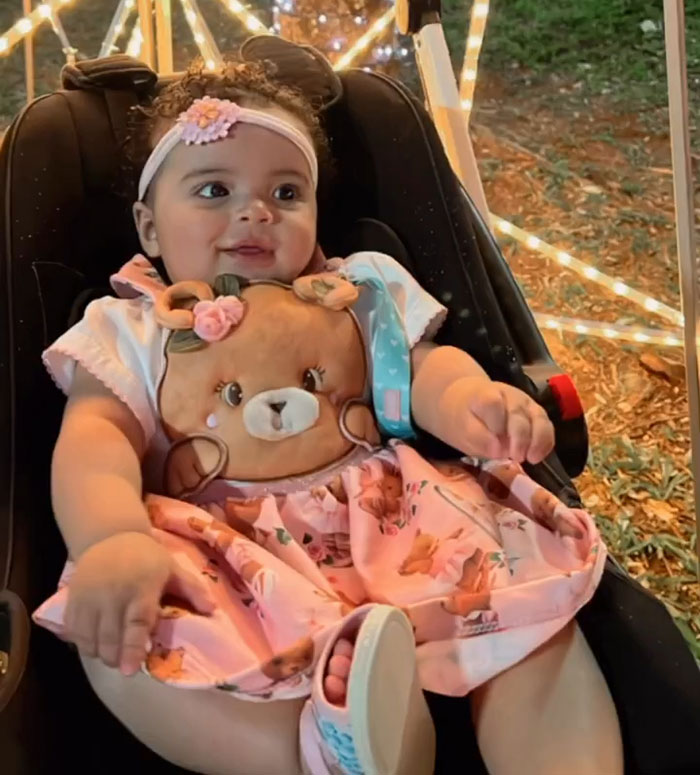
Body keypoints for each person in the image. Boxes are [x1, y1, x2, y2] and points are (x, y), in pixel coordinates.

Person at [32, 59, 623, 775]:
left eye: (286, 191)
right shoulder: (128, 326)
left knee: (528, 616)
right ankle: (323, 747)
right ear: (149, 226)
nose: (255, 211)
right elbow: (95, 438)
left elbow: (423, 364)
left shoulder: (356, 287)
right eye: (215, 190)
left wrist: (474, 402)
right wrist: (111, 538)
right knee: (121, 645)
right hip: (226, 554)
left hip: (397, 516)